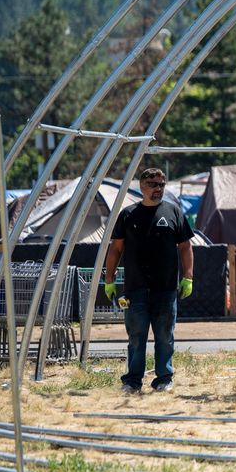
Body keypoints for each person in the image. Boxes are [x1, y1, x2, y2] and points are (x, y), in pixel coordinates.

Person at [103, 168, 194, 394]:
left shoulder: (173, 212)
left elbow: (186, 246)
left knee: (165, 335)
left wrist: (188, 277)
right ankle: (133, 381)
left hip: (165, 288)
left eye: (162, 184)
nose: (158, 188)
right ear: (141, 186)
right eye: (153, 184)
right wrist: (109, 279)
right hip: (136, 288)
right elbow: (115, 249)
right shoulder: (128, 214)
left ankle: (164, 378)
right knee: (136, 336)